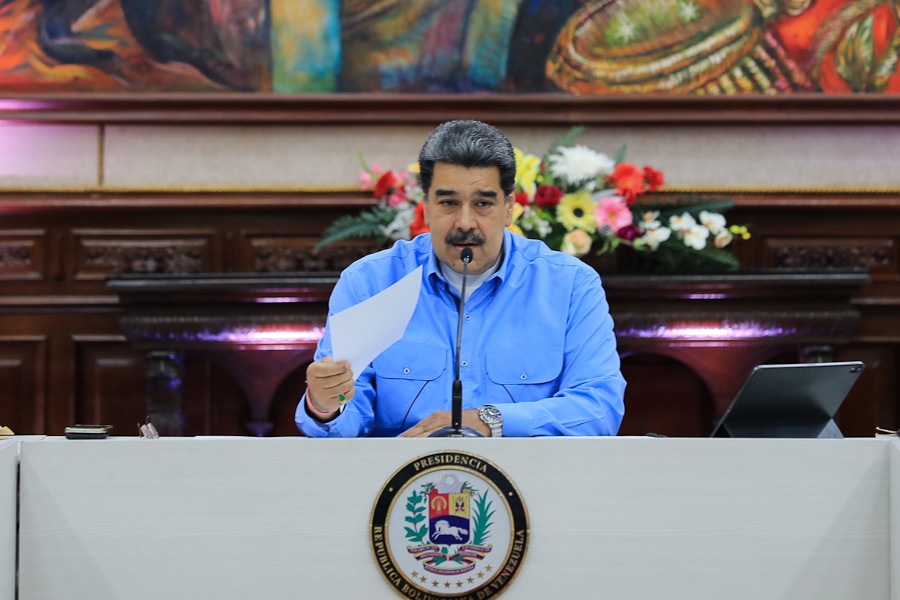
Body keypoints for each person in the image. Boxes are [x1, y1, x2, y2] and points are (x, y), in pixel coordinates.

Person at [296, 119, 625, 437]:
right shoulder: (369, 283)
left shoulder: (570, 286)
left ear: (509, 207)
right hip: (399, 473)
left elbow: (599, 408)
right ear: (426, 207)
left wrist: (490, 420)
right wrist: (326, 405)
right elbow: (346, 418)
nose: (465, 222)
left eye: (483, 203)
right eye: (449, 203)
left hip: (528, 474)